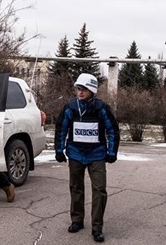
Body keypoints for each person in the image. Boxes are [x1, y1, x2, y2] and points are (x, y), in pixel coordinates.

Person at [55, 73, 120, 243]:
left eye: (83, 89)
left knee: (99, 190)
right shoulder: (70, 107)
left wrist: (112, 152)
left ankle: (97, 228)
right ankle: (77, 220)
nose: (80, 92)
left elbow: (113, 130)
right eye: (78, 88)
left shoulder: (102, 108)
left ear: (92, 90)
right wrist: (59, 149)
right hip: (75, 154)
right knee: (76, 188)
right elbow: (61, 128)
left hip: (97, 155)